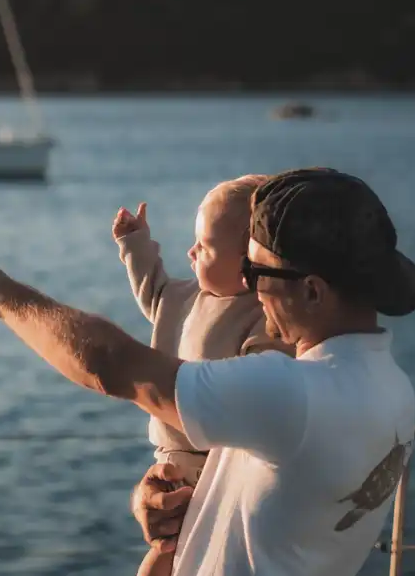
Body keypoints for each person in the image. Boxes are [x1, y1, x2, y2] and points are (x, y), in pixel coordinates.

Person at [0, 167, 415, 576]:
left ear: (311, 291)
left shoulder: (290, 393)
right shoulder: (391, 390)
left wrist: (2, 296)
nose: (252, 290)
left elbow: (109, 364)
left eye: (257, 273)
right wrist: (157, 499)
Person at [113, 177, 295, 576]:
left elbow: (262, 381)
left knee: (173, 556)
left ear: (248, 265)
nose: (191, 252)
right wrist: (135, 245)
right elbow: (152, 289)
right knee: (166, 552)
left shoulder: (261, 316)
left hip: (216, 465)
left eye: (205, 247)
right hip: (171, 459)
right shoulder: (183, 297)